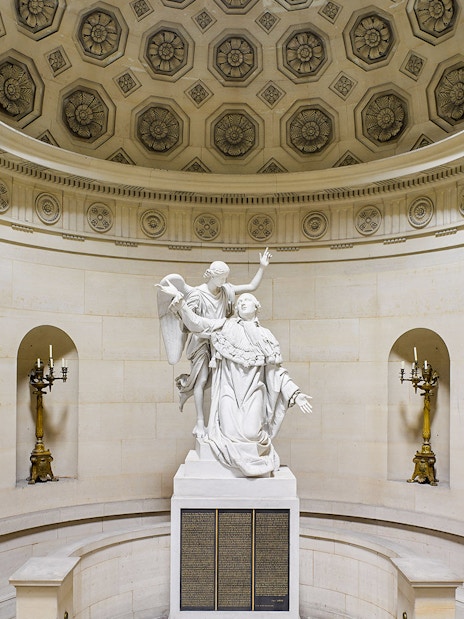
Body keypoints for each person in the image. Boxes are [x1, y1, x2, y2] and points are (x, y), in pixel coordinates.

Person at [158, 285, 312, 477]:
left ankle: (253, 463)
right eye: (240, 302)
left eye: (247, 300)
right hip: (228, 391)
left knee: (250, 435)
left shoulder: (266, 337)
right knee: (230, 434)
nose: (242, 303)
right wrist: (181, 302)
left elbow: (277, 372)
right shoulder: (225, 326)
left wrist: (295, 394)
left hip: (253, 391)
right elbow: (198, 323)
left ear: (257, 307)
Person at [157, 249, 272, 438]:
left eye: (226, 278)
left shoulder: (226, 290)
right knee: (202, 380)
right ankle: (200, 423)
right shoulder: (196, 294)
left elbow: (251, 286)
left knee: (223, 381)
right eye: (222, 278)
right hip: (201, 340)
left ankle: (219, 424)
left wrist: (262, 267)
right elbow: (189, 321)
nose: (225, 282)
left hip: (222, 341)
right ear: (212, 276)